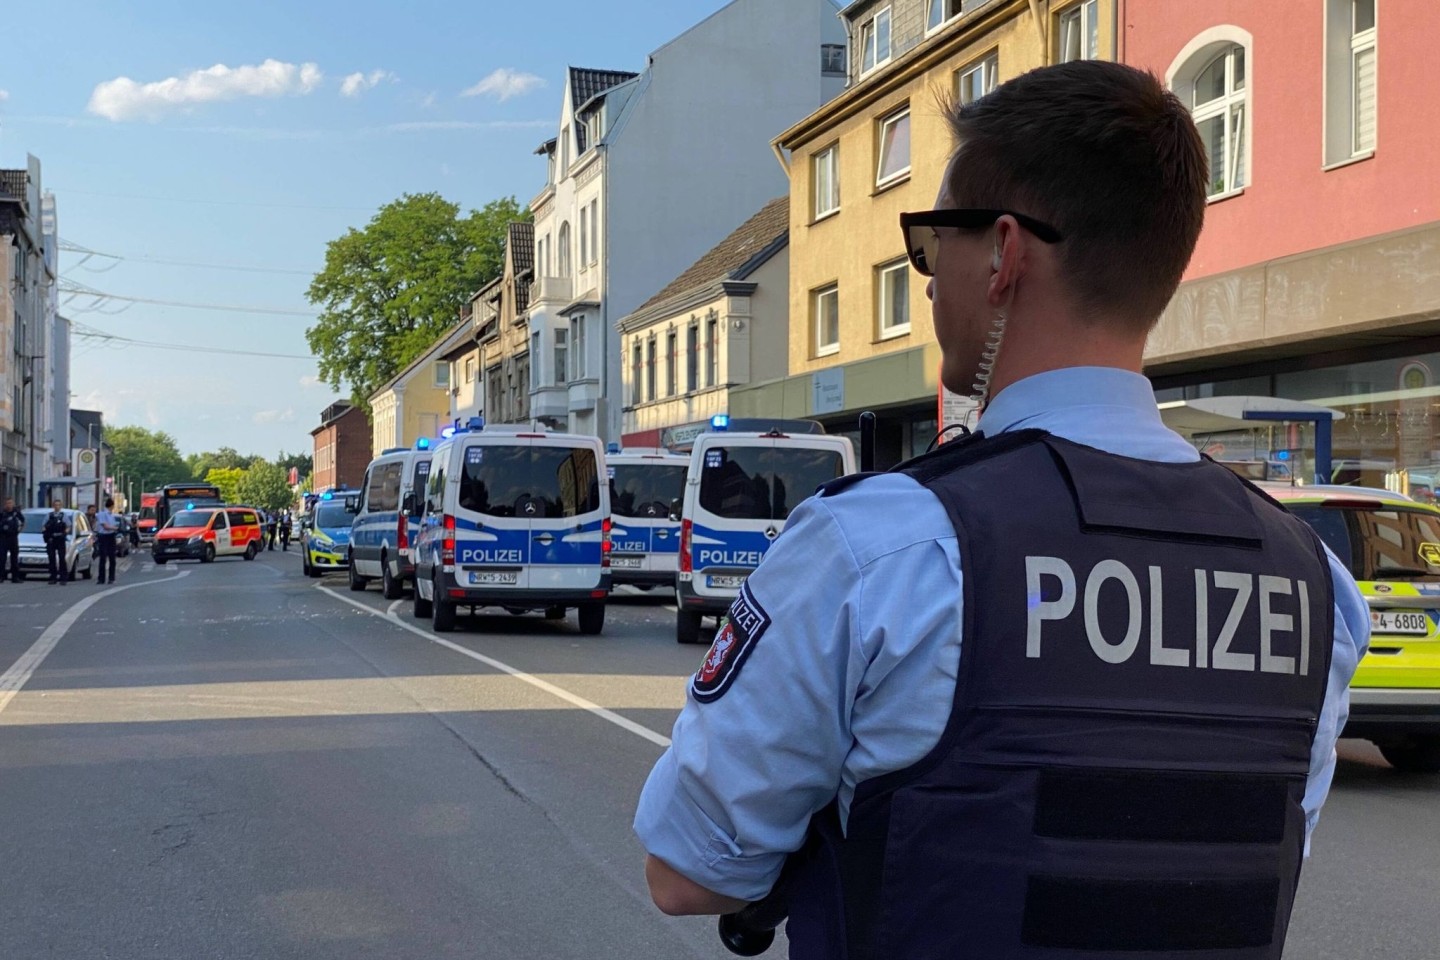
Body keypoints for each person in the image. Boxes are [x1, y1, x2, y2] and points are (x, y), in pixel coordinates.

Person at [634, 60, 1371, 959]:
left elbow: (689, 871)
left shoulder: (880, 549)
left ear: (1003, 256)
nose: (930, 284)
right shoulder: (1315, 582)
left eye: (930, 248)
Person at [43, 501, 71, 585]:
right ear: (53, 506)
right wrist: (46, 535)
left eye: (58, 505)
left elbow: (68, 526)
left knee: (62, 558)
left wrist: (64, 533)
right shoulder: (49, 515)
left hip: (60, 539)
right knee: (52, 558)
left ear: (61, 506)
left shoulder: (63, 515)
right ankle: (53, 577)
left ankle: (63, 578)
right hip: (51, 539)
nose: (57, 506)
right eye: (55, 505)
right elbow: (44, 526)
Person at [94, 497, 120, 585]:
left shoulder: (111, 515)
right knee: (103, 558)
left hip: (111, 536)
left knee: (112, 558)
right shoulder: (102, 514)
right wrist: (115, 528)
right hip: (103, 536)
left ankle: (111, 578)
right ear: (112, 505)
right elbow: (105, 526)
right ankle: (101, 578)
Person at [0, 496, 23, 583]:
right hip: (3, 537)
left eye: (10, 503)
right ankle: (1, 576)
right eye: (7, 503)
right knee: (2, 558)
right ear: (5, 504)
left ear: (13, 504)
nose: (9, 505)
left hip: (13, 537)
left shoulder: (16, 513)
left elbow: (23, 522)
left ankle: (15, 577)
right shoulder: (2, 513)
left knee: (14, 558)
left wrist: (18, 531)